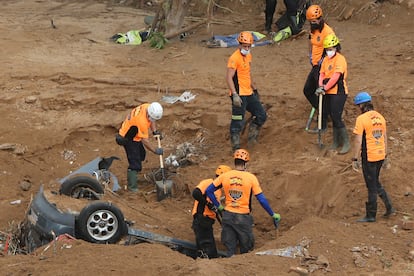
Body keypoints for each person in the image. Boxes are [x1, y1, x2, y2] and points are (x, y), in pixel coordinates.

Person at [205, 149, 281, 257]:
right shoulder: (251, 178)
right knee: (246, 249)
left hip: (228, 216)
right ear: (245, 163)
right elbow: (261, 199)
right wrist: (272, 214)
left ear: (235, 161)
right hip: (243, 217)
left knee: (230, 249)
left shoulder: (225, 176)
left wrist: (219, 206)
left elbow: (209, 191)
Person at [351, 92, 395, 222]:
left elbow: (358, 140)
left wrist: (354, 158)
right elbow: (384, 137)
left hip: (369, 156)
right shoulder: (380, 117)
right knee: (375, 182)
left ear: (361, 106)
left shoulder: (362, 119)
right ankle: (389, 207)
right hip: (380, 155)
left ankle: (371, 215)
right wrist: (385, 154)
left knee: (371, 185)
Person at [226, 31, 267, 152]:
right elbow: (229, 77)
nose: (247, 48)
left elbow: (247, 74)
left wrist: (254, 88)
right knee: (238, 120)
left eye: (249, 46)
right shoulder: (234, 58)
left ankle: (252, 136)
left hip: (248, 93)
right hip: (239, 94)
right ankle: (236, 146)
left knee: (261, 115)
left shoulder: (248, 56)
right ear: (239, 45)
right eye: (245, 46)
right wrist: (234, 95)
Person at [116, 102, 164, 192]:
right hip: (127, 137)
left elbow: (152, 120)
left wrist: (155, 131)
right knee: (135, 162)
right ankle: (132, 187)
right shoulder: (140, 121)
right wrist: (155, 151)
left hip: (134, 134)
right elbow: (145, 141)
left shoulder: (148, 107)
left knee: (142, 155)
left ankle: (135, 172)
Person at [315, 33, 350, 154]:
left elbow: (336, 77)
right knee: (332, 115)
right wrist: (320, 86)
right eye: (327, 49)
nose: (329, 51)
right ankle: (336, 142)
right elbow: (322, 74)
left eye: (331, 49)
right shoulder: (325, 59)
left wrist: (325, 87)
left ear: (336, 47)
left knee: (336, 116)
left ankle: (346, 142)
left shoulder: (340, 59)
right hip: (327, 92)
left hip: (338, 92)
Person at [191, 165, 232, 258]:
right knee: (207, 247)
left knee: (207, 245)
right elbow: (196, 193)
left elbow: (216, 207)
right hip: (201, 218)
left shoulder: (218, 191)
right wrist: (208, 204)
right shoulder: (208, 183)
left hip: (208, 220)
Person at [303, 4, 335, 111]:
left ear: (320, 18)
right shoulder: (313, 30)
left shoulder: (328, 32)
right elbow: (310, 41)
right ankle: (321, 109)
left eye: (314, 21)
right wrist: (310, 56)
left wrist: (323, 64)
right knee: (307, 90)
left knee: (323, 91)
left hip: (323, 67)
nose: (313, 23)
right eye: (311, 21)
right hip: (315, 66)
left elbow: (333, 50)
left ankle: (326, 114)